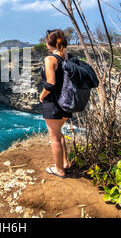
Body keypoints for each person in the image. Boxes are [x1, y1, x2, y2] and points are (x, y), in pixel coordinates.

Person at [39, 29, 72, 178]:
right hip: (66, 101)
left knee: (54, 137)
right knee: (59, 133)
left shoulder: (50, 59)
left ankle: (59, 169)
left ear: (49, 43)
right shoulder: (66, 56)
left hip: (53, 102)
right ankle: (65, 163)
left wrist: (42, 95)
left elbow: (50, 83)